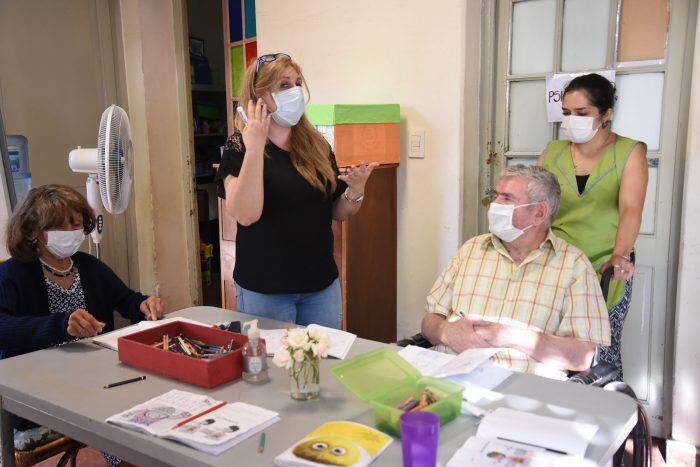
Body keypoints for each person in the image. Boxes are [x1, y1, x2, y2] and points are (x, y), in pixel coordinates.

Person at [0, 185, 162, 467]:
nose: (72, 232)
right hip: (40, 387)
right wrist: (60, 325)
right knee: (124, 422)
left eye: (76, 224)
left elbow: (126, 300)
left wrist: (144, 304)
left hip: (95, 377)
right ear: (33, 231)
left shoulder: (88, 267)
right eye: (61, 226)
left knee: (151, 408)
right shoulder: (12, 275)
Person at [215, 53, 376, 329]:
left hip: (321, 287)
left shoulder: (316, 145)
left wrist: (355, 192)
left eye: (298, 83)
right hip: (265, 290)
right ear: (259, 97)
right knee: (274, 370)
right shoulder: (238, 146)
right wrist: (255, 148)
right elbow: (246, 214)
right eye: (284, 85)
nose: (296, 92)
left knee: (323, 367)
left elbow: (337, 210)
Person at [421, 166, 610, 379]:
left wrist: (510, 336)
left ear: (539, 212)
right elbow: (429, 321)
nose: (495, 204)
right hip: (448, 377)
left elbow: (582, 357)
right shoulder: (471, 249)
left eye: (507, 198)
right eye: (496, 196)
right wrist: (446, 332)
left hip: (522, 389)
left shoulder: (573, 265)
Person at [537, 73, 648, 379]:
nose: (572, 121)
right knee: (555, 348)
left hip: (606, 263)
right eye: (567, 114)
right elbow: (537, 207)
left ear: (606, 114)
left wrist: (620, 256)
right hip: (557, 265)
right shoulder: (552, 153)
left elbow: (630, 209)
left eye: (582, 114)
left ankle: (613, 416)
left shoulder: (629, 152)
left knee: (601, 350)